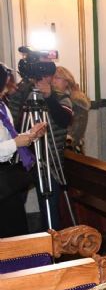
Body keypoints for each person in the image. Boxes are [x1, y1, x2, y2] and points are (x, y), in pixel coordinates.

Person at [6, 58, 73, 231]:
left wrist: (49, 96)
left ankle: (52, 245)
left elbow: (64, 120)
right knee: (13, 206)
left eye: (46, 76)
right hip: (24, 158)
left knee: (49, 206)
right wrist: (23, 89)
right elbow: (12, 123)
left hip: (49, 160)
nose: (42, 80)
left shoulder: (61, 97)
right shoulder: (23, 93)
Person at [0, 64, 46, 237]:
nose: (7, 88)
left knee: (16, 227)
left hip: (6, 175)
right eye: (5, 84)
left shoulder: (2, 107)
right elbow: (10, 143)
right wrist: (15, 143)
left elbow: (9, 137)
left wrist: (30, 135)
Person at [52, 67, 90, 154]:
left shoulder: (77, 102)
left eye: (57, 78)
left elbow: (77, 132)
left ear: (66, 82)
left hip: (70, 149)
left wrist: (66, 143)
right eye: (52, 77)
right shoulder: (52, 99)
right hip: (53, 148)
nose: (53, 81)